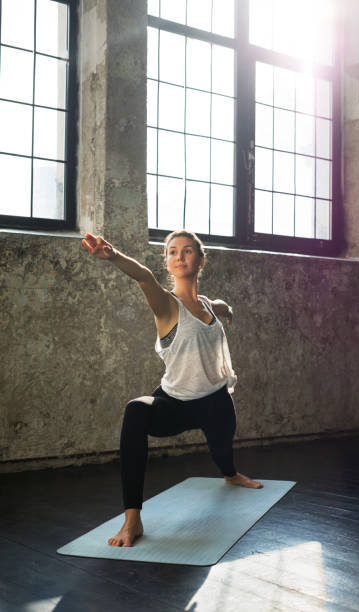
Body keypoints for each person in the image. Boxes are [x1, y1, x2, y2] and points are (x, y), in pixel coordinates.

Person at [82, 229, 263, 547]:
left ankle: (231, 475)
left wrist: (228, 310)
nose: (180, 256)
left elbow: (218, 305)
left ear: (201, 259)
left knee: (223, 453)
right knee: (136, 410)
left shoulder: (207, 305)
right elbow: (143, 276)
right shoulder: (166, 305)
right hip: (176, 403)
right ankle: (132, 519)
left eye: (188, 250)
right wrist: (113, 256)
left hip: (216, 401)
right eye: (173, 251)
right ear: (167, 262)